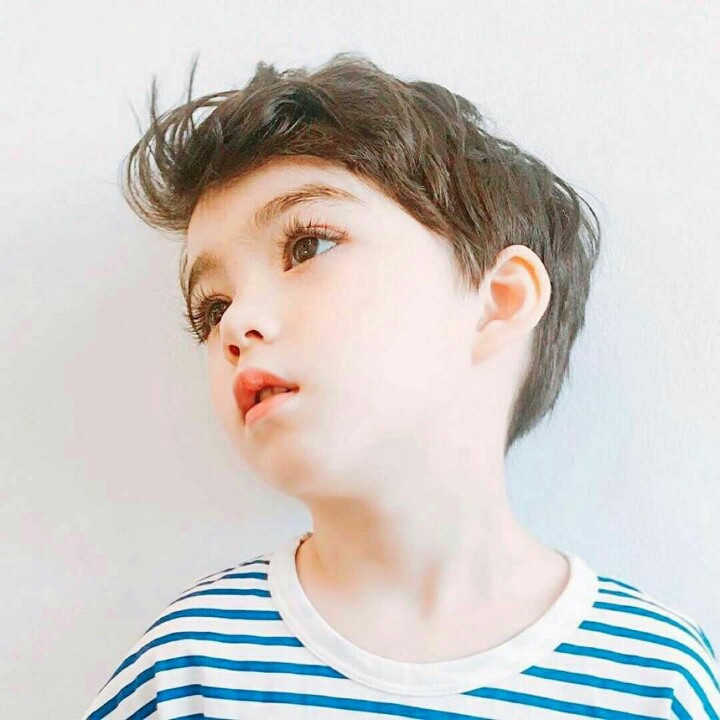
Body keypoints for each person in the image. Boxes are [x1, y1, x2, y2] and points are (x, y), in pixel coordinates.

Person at [82, 52, 719, 719]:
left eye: (307, 247)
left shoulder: (652, 676)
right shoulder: (191, 666)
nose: (237, 324)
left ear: (498, 301)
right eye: (212, 309)